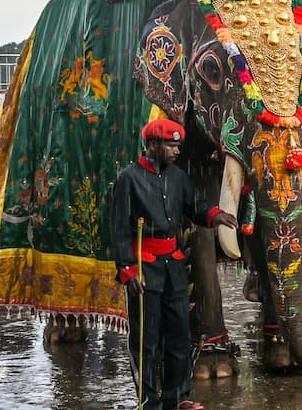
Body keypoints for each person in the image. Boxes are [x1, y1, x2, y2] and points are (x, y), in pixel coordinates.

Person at [110, 118, 236, 410]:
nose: (177, 150)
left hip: (174, 269)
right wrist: (128, 272)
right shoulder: (127, 179)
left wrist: (214, 215)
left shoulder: (178, 177)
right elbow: (119, 230)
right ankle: (148, 401)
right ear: (153, 146)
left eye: (179, 145)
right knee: (146, 340)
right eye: (171, 145)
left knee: (179, 335)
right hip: (145, 270)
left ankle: (178, 398)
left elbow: (194, 206)